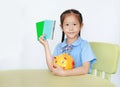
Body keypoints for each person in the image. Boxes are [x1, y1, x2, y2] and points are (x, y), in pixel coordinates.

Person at [39, 9, 96, 76]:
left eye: (74, 24)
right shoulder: (59, 47)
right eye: (67, 25)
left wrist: (64, 73)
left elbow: (85, 69)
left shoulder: (84, 45)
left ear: (81, 26)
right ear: (62, 27)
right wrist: (46, 45)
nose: (71, 28)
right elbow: (52, 68)